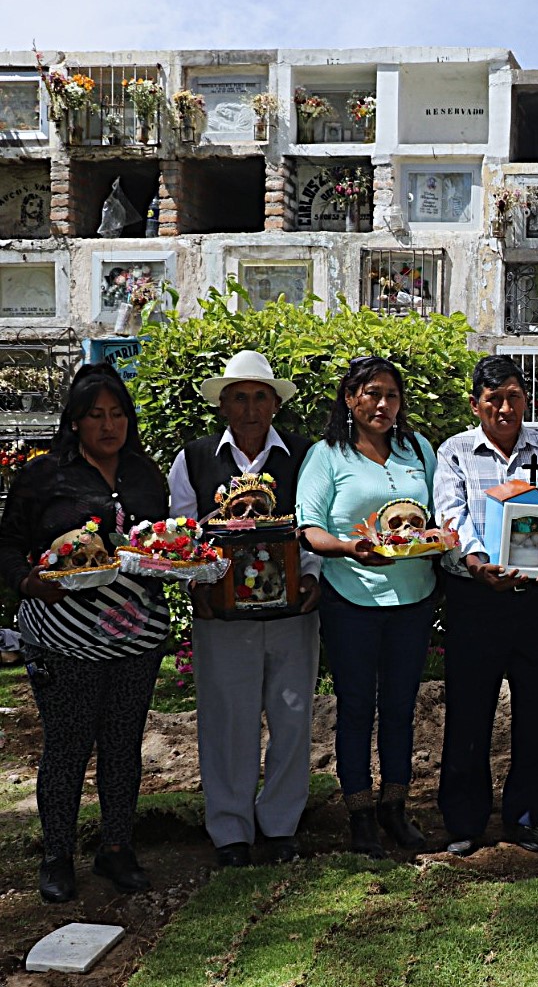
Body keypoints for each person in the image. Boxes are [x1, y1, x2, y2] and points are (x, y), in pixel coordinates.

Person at [0, 364, 171, 902]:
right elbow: (6, 543)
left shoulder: (146, 474)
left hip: (135, 636)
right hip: (62, 637)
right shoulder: (44, 475)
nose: (107, 425)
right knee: (68, 745)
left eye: (117, 413)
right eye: (95, 415)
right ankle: (57, 855)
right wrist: (25, 582)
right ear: (74, 421)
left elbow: (161, 544)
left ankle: (117, 849)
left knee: (123, 745)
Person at [167, 351, 320, 867]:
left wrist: (312, 579)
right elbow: (182, 535)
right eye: (239, 397)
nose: (250, 408)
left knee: (293, 717)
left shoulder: (305, 455)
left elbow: (315, 529)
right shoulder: (194, 458)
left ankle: (280, 825)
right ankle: (230, 829)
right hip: (222, 615)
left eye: (260, 397)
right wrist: (198, 590)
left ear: (275, 404)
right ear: (223, 405)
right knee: (226, 720)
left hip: (291, 613)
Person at [431, 356, 538, 857]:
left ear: (528, 402)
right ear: (476, 403)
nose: (504, 408)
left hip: (535, 597)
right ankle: (464, 820)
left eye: (514, 397)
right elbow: (450, 512)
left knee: (536, 710)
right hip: (475, 597)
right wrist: (475, 561)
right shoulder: (455, 450)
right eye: (493, 399)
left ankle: (525, 817)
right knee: (469, 711)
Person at [295, 357, 437, 858]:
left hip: (413, 597)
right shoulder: (326, 455)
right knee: (355, 709)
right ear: (350, 399)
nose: (382, 404)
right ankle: (359, 813)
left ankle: (395, 807)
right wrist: (347, 548)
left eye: (392, 396)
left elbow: (438, 514)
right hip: (351, 598)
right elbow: (308, 528)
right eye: (371, 394)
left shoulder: (418, 450)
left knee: (400, 708)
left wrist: (438, 538)